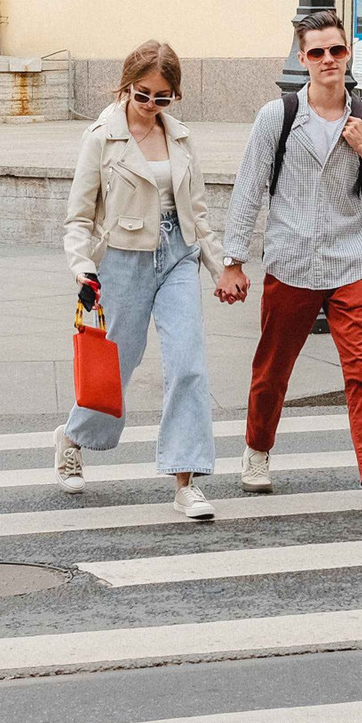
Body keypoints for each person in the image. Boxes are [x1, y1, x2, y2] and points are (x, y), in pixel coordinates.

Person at [221, 7, 362, 514]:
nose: (329, 59)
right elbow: (249, 188)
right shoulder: (278, 117)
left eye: (337, 49)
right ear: (303, 59)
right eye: (317, 52)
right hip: (291, 262)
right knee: (272, 369)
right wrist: (233, 259)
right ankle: (257, 449)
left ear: (347, 54)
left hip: (350, 265)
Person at [53, 41, 221, 520]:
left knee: (188, 363)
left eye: (162, 97)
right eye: (142, 94)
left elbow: (198, 212)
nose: (150, 105)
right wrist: (82, 267)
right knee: (116, 366)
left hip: (178, 254)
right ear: (126, 86)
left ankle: (186, 481)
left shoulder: (181, 137)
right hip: (123, 260)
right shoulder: (101, 138)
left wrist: (221, 265)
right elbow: (78, 217)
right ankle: (73, 438)